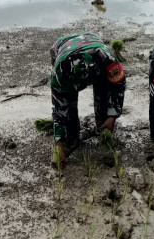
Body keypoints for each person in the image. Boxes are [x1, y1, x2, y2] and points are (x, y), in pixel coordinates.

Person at [50, 33, 126, 166]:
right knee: (68, 105)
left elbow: (118, 85)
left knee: (103, 90)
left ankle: (103, 124)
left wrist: (112, 116)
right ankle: (71, 138)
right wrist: (59, 145)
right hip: (61, 47)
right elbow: (59, 108)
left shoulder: (107, 58)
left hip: (92, 45)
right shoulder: (58, 76)